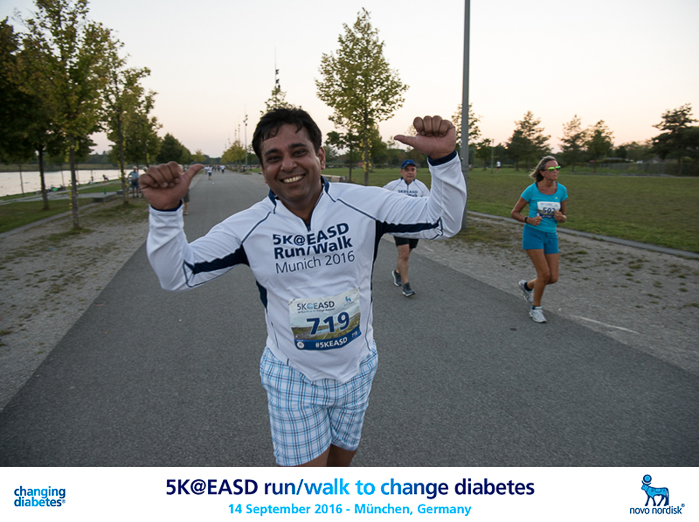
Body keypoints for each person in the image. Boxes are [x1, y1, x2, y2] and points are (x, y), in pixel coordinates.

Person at [140, 108, 466, 467]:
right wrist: (165, 214)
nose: (287, 165)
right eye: (273, 157)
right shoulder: (248, 227)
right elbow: (178, 274)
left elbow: (443, 221)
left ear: (320, 156)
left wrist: (444, 160)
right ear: (263, 169)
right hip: (293, 376)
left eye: (299, 151)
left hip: (357, 368)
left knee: (339, 466)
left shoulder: (363, 204)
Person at [510, 155, 567, 323]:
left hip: (551, 235)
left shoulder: (561, 190)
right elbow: (514, 213)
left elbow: (564, 217)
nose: (556, 171)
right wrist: (528, 220)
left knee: (553, 277)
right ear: (542, 172)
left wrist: (560, 217)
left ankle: (527, 286)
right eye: (552, 169)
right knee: (544, 274)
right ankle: (536, 308)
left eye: (557, 168)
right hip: (533, 234)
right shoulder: (531, 190)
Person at [383, 159, 430, 297]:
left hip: (415, 226)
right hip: (399, 225)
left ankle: (397, 272)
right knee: (404, 254)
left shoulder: (421, 187)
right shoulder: (392, 186)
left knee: (407, 253)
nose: (410, 172)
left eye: (412, 170)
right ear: (401, 171)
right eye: (407, 170)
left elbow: (428, 205)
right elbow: (381, 199)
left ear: (416, 171)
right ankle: (406, 286)